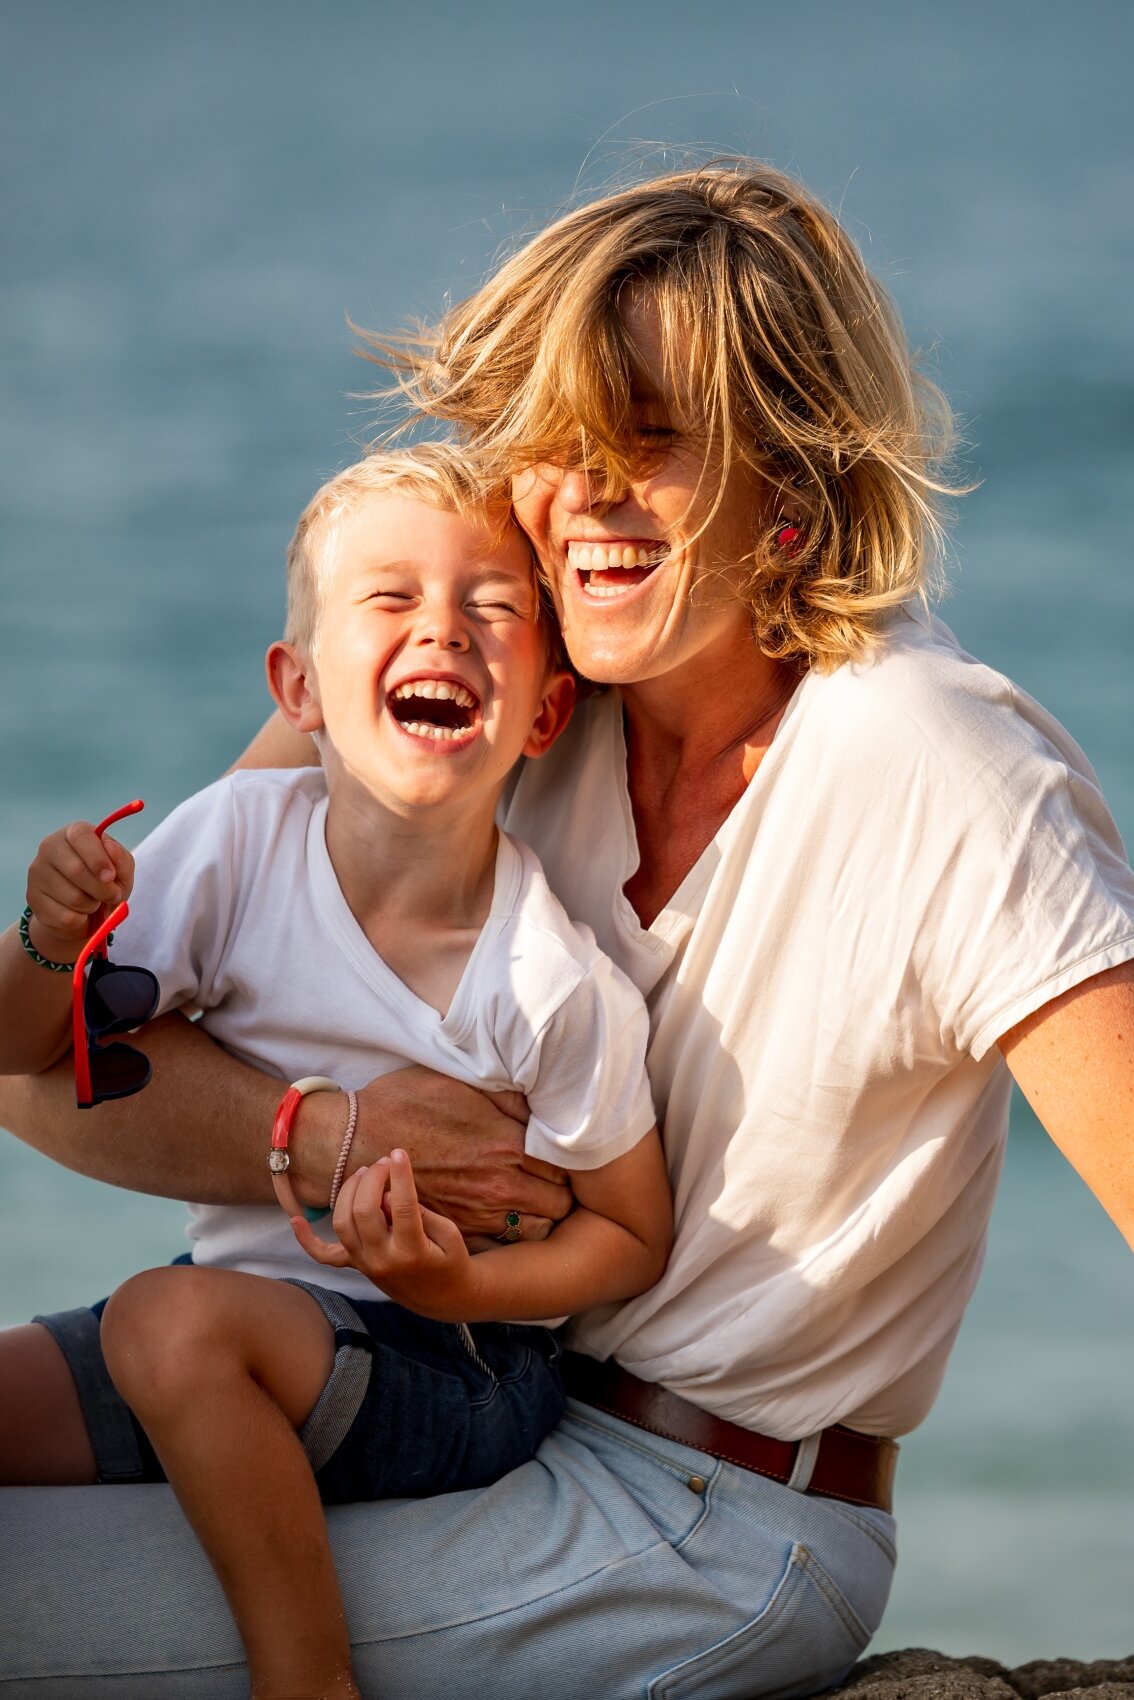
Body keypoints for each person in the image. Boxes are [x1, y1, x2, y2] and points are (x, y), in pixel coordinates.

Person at [1, 159, 1132, 1700]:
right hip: (440, 1402)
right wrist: (317, 1135)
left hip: (711, 1519)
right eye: (552, 441)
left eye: (650, 442)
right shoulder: (509, 703)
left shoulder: (930, 756)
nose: (583, 494)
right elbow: (48, 1071)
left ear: (790, 484)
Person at [0, 445, 670, 1700]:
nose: (446, 629)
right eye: (391, 597)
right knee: (166, 1327)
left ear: (544, 710)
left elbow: (631, 1232)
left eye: (494, 605)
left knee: (168, 1317)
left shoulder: (553, 980)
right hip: (240, 1326)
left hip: (456, 1371)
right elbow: (22, 1049)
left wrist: (464, 1277)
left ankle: (306, 1679)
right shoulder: (234, 844)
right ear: (296, 685)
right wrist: (46, 933)